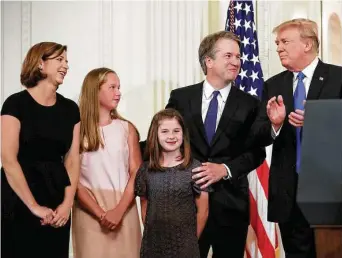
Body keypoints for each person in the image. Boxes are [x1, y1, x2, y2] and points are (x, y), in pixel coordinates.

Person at [165, 30, 287, 258]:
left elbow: (256, 152)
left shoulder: (250, 103)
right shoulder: (181, 97)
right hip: (185, 202)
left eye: (238, 57)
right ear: (208, 61)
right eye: (229, 56)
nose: (236, 62)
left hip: (231, 205)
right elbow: (165, 140)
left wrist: (225, 170)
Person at [263, 18, 342, 258]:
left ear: (307, 44)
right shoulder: (273, 85)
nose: (278, 48)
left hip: (331, 192)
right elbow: (257, 133)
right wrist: (274, 125)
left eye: (285, 41)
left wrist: (320, 119)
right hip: (288, 193)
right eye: (277, 43)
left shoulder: (339, 78)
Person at [1, 42, 80, 257]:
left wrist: (66, 205)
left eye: (66, 61)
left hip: (56, 192)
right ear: (40, 63)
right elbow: (8, 159)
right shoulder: (15, 104)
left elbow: (73, 159)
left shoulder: (71, 109)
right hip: (19, 195)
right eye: (59, 60)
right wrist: (34, 206)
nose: (66, 65)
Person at [72, 67, 142, 258]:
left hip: (124, 207)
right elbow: (73, 178)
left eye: (119, 87)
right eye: (112, 87)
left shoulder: (127, 129)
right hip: (88, 210)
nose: (118, 92)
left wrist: (118, 211)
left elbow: (136, 172)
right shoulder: (77, 130)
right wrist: (100, 214)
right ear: (95, 90)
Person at [135, 108, 210, 258]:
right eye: (165, 131)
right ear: (155, 135)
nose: (171, 136)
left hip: (186, 246)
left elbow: (203, 210)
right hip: (153, 245)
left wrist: (191, 240)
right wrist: (154, 235)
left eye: (176, 131)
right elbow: (145, 205)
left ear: (183, 134)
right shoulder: (146, 170)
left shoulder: (195, 168)